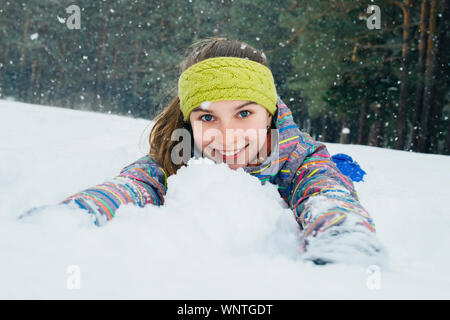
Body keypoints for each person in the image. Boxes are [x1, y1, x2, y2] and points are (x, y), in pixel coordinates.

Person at [22, 38, 386, 266]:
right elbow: (134, 183)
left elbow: (324, 190)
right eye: (208, 116)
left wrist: (341, 232)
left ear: (270, 113)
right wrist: (80, 212)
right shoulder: (180, 152)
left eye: (244, 113)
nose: (227, 134)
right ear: (190, 120)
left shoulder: (299, 157)